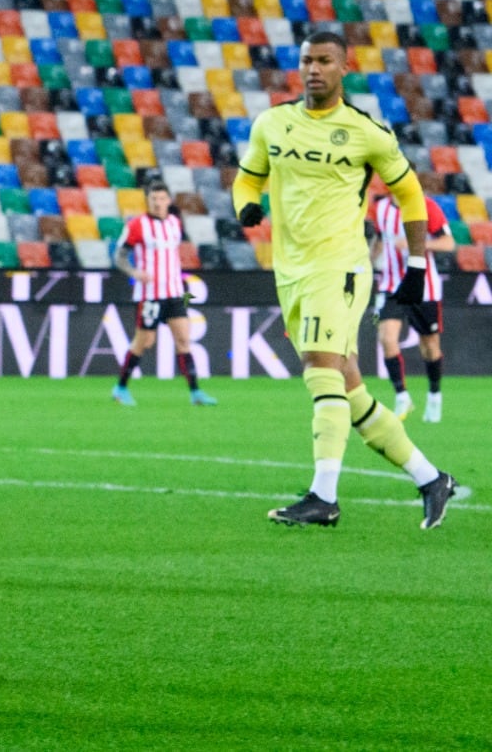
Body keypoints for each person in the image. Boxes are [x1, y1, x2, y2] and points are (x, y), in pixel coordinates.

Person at [234, 30, 459, 529]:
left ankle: (324, 497)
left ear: (344, 68)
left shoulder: (367, 132)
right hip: (290, 271)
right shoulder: (272, 123)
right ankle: (431, 479)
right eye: (307, 61)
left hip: (339, 267)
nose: (313, 69)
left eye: (324, 61)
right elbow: (248, 176)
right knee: (349, 389)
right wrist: (245, 203)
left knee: (320, 369)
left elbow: (412, 197)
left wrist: (419, 265)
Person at [110, 181, 217, 407]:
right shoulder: (137, 225)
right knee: (145, 341)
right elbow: (119, 255)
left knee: (183, 339)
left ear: (168, 201)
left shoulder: (174, 223)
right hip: (150, 295)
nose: (158, 203)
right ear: (148, 201)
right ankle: (120, 387)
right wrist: (133, 271)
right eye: (153, 199)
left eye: (161, 199)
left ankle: (196, 392)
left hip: (174, 292)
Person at [370, 182, 454, 421]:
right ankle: (402, 397)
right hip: (391, 285)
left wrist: (416, 244)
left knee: (429, 347)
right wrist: (368, 261)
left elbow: (448, 243)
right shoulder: (381, 208)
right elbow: (379, 239)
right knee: (386, 338)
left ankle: (435, 396)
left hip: (423, 287)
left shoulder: (427, 207)